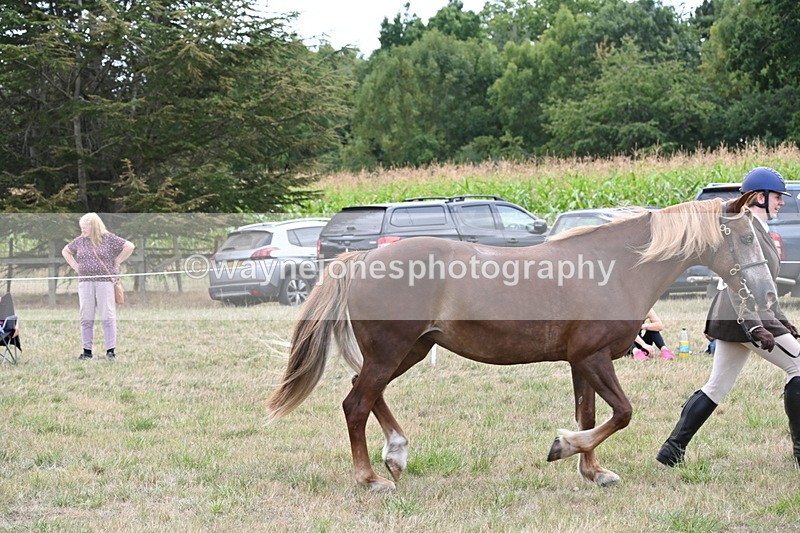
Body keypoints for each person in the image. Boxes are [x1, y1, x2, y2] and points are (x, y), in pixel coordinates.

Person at [656, 167, 800, 468]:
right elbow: (738, 282)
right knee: (798, 367)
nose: (781, 203)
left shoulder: (757, 229)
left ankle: (672, 450)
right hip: (744, 316)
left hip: (736, 316)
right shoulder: (745, 230)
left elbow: (765, 286)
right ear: (758, 197)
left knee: (717, 385)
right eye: (777, 197)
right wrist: (755, 325)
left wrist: (782, 318)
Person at [62, 213, 135, 361]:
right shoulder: (80, 241)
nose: (82, 231)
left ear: (94, 226)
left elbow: (129, 246)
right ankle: (87, 351)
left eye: (85, 228)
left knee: (107, 316)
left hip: (105, 282)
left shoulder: (108, 238)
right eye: (81, 228)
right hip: (85, 282)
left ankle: (110, 351)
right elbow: (66, 251)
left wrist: (117, 261)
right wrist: (76, 266)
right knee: (86, 316)